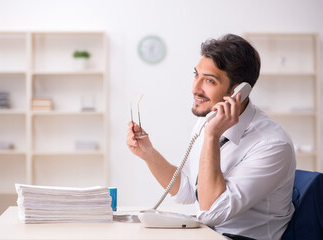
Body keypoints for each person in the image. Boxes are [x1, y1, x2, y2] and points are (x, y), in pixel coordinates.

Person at [126, 33, 296, 239]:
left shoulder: (272, 144)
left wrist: (211, 137)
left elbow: (211, 212)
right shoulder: (209, 119)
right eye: (196, 75)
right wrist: (149, 154)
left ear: (238, 91)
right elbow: (188, 190)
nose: (195, 88)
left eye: (209, 80)